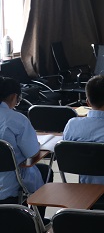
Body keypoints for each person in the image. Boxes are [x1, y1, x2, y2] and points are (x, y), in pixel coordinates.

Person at [0, 77, 53, 217]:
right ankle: (35, 221)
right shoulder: (17, 119)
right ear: (14, 96)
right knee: (46, 171)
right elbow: (32, 153)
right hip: (7, 184)